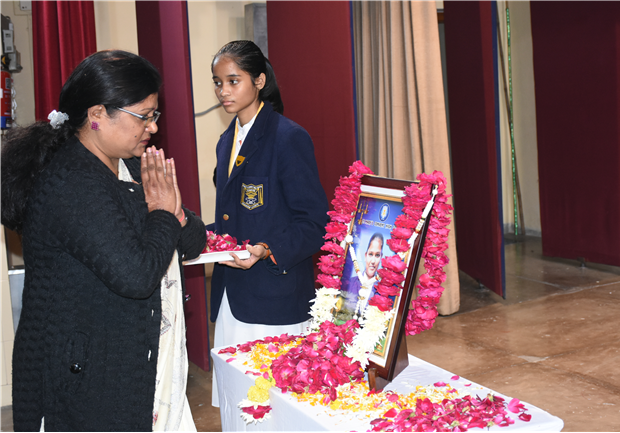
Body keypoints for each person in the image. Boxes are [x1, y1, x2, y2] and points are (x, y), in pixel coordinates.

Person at [0, 50, 206, 431]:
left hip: (133, 367)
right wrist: (163, 213)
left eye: (155, 115)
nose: (153, 127)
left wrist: (173, 212)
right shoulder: (70, 183)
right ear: (97, 115)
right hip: (80, 385)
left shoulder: (130, 166)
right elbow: (136, 275)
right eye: (143, 116)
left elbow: (193, 240)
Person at [208, 40, 329, 405]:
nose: (223, 91)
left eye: (233, 81)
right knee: (237, 404)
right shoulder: (226, 141)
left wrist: (265, 248)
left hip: (274, 295)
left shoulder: (288, 137)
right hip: (232, 295)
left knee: (272, 407)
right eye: (218, 82)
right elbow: (231, 219)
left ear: (259, 81)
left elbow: (314, 223)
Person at [335, 233, 384, 323]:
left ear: (381, 257)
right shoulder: (349, 283)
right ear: (365, 256)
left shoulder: (383, 291)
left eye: (377, 255)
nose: (373, 261)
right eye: (370, 254)